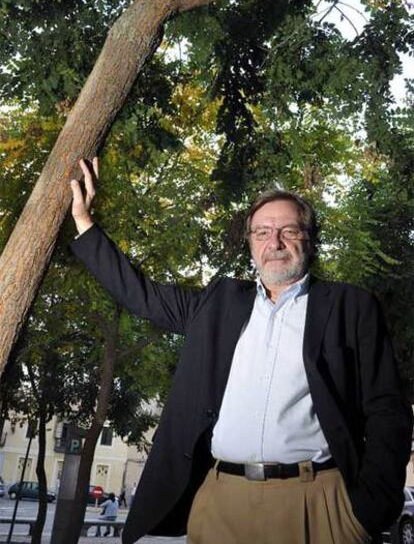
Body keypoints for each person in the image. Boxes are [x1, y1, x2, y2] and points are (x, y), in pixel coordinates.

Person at [71, 158, 412, 544]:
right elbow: (140, 293)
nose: (275, 243)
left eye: (288, 230)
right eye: (262, 232)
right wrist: (84, 222)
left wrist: (368, 510)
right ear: (250, 242)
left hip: (317, 504)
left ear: (310, 239)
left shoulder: (351, 307)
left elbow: (388, 409)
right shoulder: (218, 304)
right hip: (221, 502)